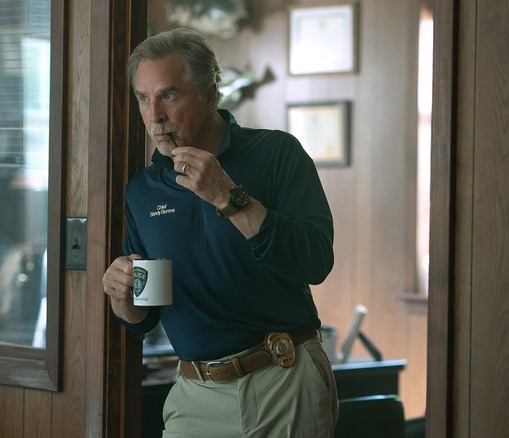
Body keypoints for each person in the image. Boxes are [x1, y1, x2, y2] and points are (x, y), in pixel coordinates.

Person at [102, 28, 338, 437]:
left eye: (168, 95)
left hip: (284, 378)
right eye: (144, 98)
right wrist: (122, 299)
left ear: (210, 96)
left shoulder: (278, 154)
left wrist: (229, 197)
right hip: (194, 396)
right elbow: (144, 316)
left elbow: (316, 261)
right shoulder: (142, 191)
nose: (154, 115)